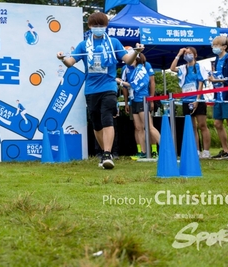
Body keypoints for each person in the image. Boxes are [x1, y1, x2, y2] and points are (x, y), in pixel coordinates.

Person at [57, 12, 143, 169]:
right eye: (95, 25)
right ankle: (105, 154)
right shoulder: (83, 45)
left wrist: (136, 52)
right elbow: (70, 62)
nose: (98, 28)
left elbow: (127, 60)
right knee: (96, 124)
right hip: (91, 89)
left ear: (106, 26)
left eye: (101, 25)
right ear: (90, 26)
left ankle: (108, 154)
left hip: (109, 86)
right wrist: (62, 58)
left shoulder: (114, 43)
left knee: (107, 118)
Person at [117, 53, 160, 158]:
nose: (129, 60)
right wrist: (127, 102)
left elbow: (134, 85)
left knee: (149, 126)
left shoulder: (142, 68)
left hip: (142, 99)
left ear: (136, 59)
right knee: (138, 127)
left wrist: (120, 82)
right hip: (134, 100)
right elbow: (128, 86)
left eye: (131, 58)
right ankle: (143, 152)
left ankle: (166, 149)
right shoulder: (129, 68)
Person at [170, 47, 210, 158]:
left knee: (202, 125)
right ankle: (196, 150)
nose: (187, 55)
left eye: (190, 53)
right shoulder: (183, 68)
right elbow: (172, 68)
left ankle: (206, 151)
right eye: (186, 54)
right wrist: (179, 54)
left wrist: (197, 100)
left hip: (198, 99)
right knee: (192, 127)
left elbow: (201, 84)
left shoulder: (199, 67)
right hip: (186, 100)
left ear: (195, 55)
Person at [207, 35, 228, 160]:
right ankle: (226, 151)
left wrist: (218, 80)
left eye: (217, 45)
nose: (214, 47)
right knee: (217, 123)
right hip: (218, 95)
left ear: (224, 47)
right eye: (213, 45)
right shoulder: (217, 60)